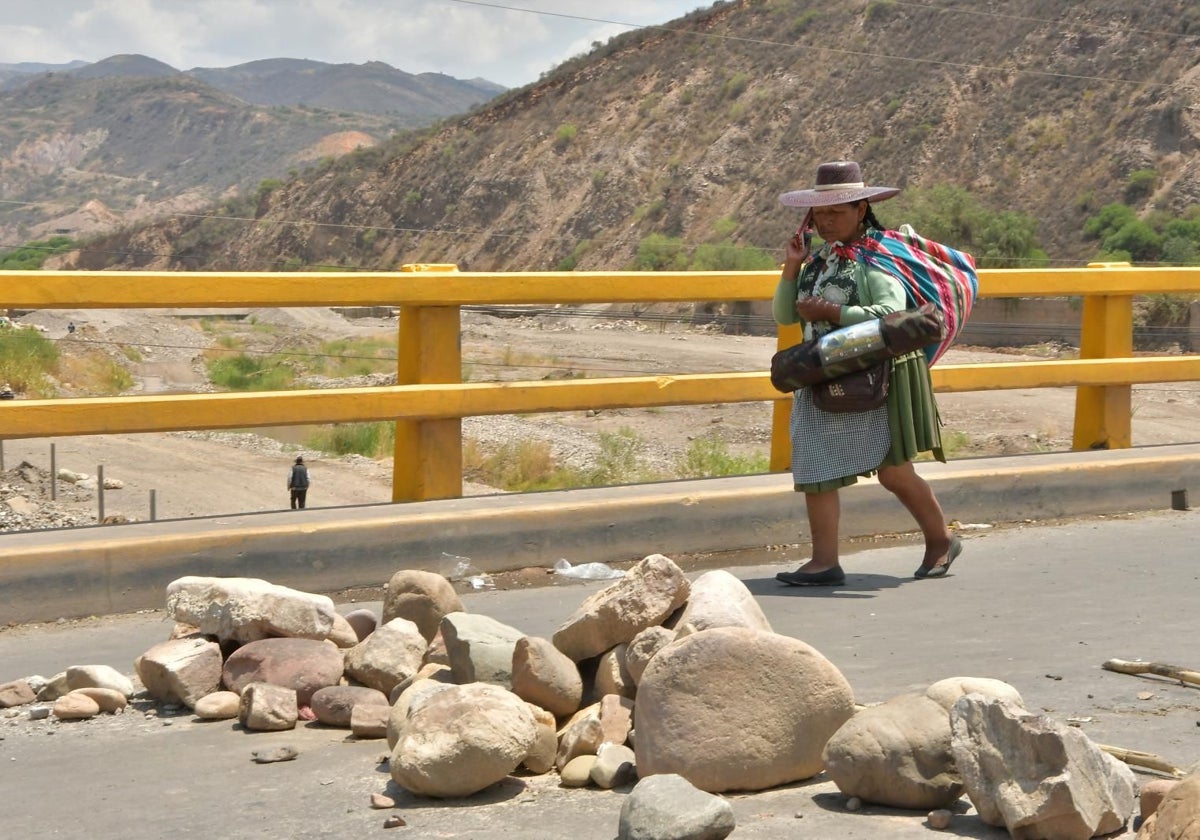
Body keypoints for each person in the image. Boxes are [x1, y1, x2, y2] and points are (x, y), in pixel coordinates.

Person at [772, 161, 960, 585]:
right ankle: (824, 562)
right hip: (822, 374)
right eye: (820, 214)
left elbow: (891, 316)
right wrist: (791, 266)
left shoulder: (875, 261)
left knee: (893, 470)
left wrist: (832, 311)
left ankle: (941, 540)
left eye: (837, 212)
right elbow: (785, 314)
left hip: (879, 376)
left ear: (862, 210)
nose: (827, 221)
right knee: (814, 465)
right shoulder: (817, 262)